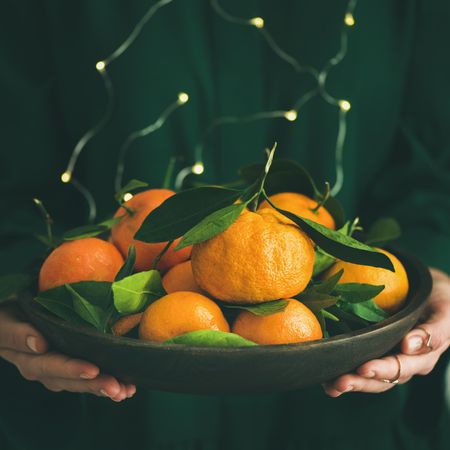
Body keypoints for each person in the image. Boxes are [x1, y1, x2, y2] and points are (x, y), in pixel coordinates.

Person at [0, 1, 449, 449]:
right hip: (98, 401)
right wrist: (13, 279)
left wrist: (435, 269)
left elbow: (432, 168)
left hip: (345, 400)